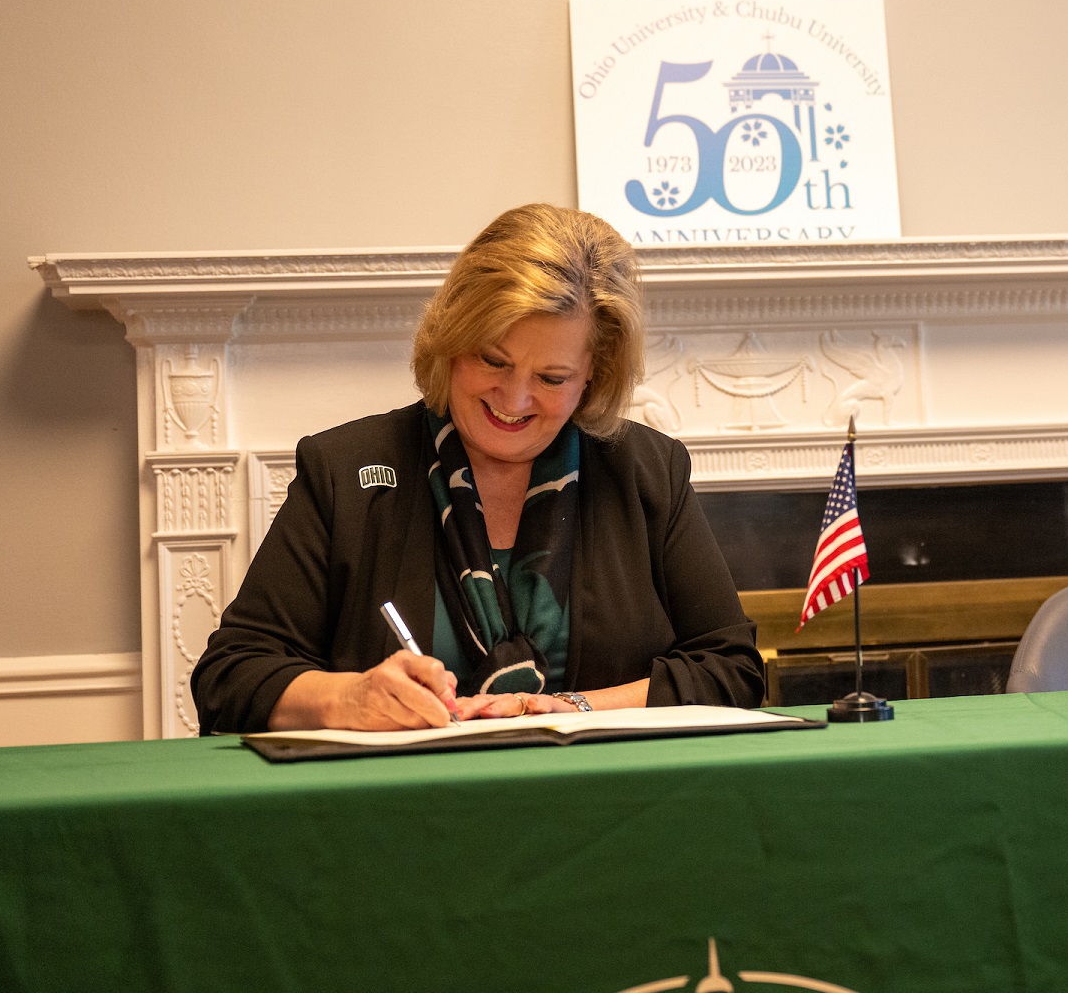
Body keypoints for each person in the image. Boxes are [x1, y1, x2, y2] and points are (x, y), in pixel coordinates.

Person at [193, 205, 765, 733]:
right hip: (397, 814)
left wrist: (575, 708)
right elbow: (230, 677)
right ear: (451, 341)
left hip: (608, 810)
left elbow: (731, 670)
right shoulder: (346, 470)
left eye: (552, 377)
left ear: (594, 373)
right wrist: (349, 698)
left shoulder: (645, 472)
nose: (514, 399)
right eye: (493, 360)